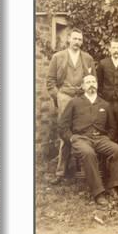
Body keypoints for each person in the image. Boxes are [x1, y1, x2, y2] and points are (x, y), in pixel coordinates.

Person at [57, 74, 118, 207]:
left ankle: (113, 187)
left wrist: (108, 138)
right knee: (88, 153)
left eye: (94, 81)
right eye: (88, 82)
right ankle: (98, 192)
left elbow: (113, 127)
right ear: (83, 86)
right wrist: (71, 138)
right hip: (81, 139)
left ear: (97, 85)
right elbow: (62, 125)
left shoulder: (105, 104)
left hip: (101, 138)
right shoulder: (74, 102)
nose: (91, 84)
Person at [46, 28, 96, 176]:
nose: (77, 42)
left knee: (82, 130)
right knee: (65, 132)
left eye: (80, 40)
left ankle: (81, 168)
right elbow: (50, 81)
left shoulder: (87, 58)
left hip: (82, 98)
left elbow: (93, 80)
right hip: (65, 98)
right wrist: (59, 96)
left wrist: (88, 97)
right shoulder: (58, 57)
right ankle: (61, 171)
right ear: (69, 39)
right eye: (75, 39)